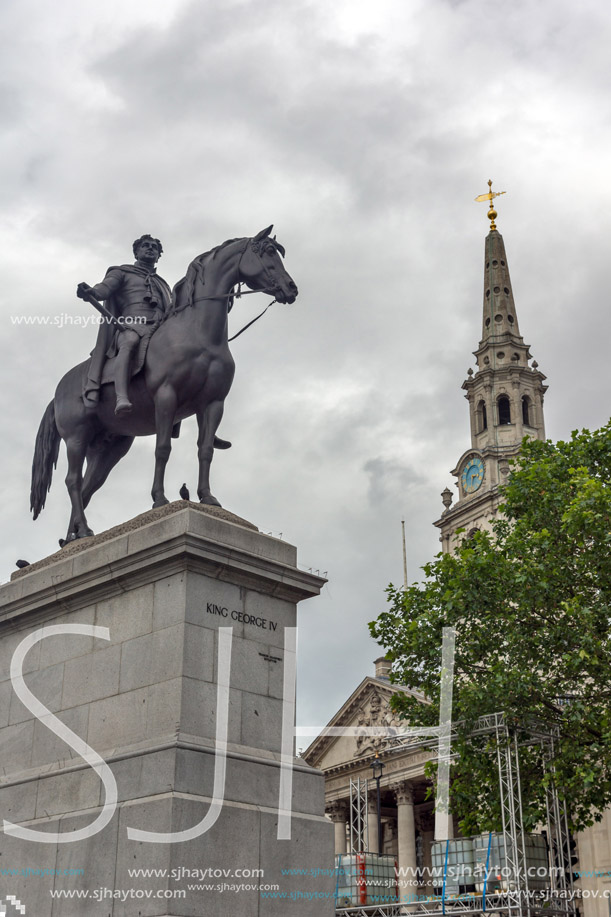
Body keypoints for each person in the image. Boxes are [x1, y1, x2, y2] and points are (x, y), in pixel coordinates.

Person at [78, 235, 172, 414]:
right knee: (129, 342)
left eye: (154, 247)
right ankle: (121, 397)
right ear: (136, 252)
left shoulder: (163, 285)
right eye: (145, 246)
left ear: (159, 255)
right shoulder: (122, 272)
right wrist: (92, 292)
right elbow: (104, 288)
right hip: (131, 325)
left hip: (159, 327)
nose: (150, 248)